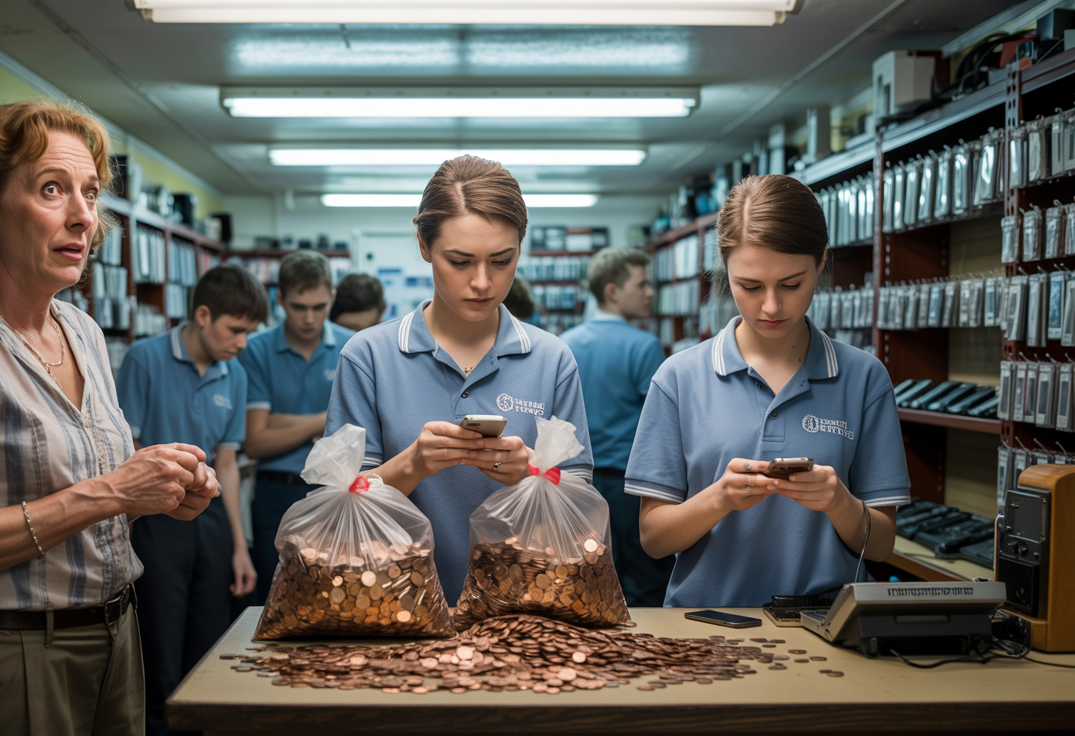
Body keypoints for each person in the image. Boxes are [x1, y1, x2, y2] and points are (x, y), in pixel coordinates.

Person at [0, 100, 219, 736]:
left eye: (89, 193)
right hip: (4, 657)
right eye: (52, 190)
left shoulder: (82, 331)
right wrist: (114, 490)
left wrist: (158, 490)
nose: (83, 215)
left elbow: (82, 497)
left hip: (113, 639)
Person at [625, 174, 910, 608]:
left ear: (821, 263)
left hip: (827, 630)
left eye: (792, 284)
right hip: (703, 628)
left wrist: (839, 502)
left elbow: (882, 546)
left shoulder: (864, 379)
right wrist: (719, 498)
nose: (772, 307)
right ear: (725, 270)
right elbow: (654, 540)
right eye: (750, 286)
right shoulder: (678, 378)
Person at [325, 155, 593, 601]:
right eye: (461, 261)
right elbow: (335, 516)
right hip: (390, 604)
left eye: (502, 261)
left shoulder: (552, 360)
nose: (483, 282)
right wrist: (412, 465)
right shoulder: (368, 357)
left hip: (523, 608)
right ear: (424, 246)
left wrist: (530, 475)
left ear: (520, 250)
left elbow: (583, 512)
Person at [115, 264, 266, 736]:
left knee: (210, 642)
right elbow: (125, 455)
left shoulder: (235, 374)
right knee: (161, 645)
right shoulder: (144, 359)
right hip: (156, 518)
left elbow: (229, 464)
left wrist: (240, 547)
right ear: (203, 314)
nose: (243, 342)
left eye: (249, 331)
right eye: (235, 329)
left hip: (213, 518)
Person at [559, 247, 673, 607]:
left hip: (576, 487)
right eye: (641, 284)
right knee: (644, 583)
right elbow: (659, 425)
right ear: (612, 291)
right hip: (632, 488)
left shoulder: (565, 344)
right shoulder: (645, 346)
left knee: (588, 581)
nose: (650, 292)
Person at [239, 250, 354, 599]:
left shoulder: (353, 346)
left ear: (332, 298)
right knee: (273, 597)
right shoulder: (254, 349)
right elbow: (256, 441)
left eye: (319, 307)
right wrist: (325, 417)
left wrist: (280, 422)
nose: (309, 317)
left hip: (334, 491)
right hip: (275, 494)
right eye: (298, 307)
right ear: (280, 299)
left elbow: (357, 432)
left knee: (334, 594)